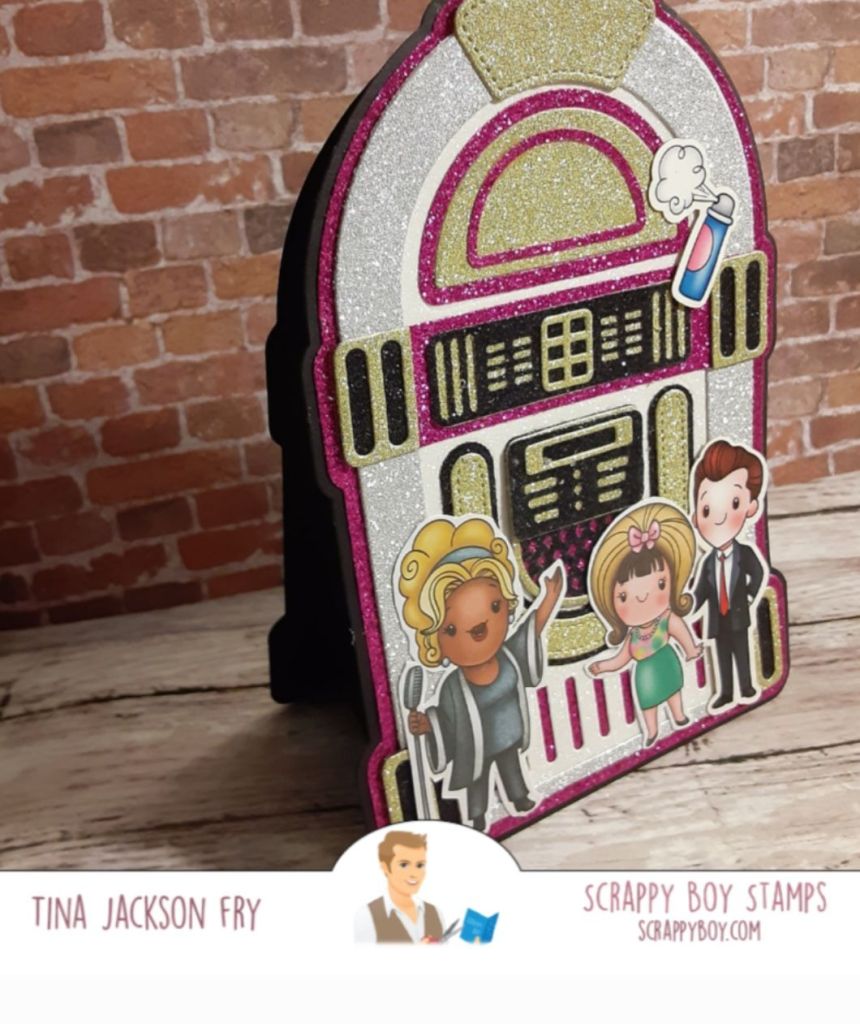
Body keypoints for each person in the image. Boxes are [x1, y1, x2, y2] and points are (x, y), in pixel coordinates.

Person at [397, 516, 564, 832]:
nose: (480, 630)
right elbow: (444, 719)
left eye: (494, 607)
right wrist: (428, 724)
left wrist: (548, 600)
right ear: (436, 642)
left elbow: (531, 630)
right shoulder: (453, 686)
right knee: (478, 779)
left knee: (512, 767)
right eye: (453, 629)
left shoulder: (509, 655)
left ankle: (519, 797)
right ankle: (475, 816)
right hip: (477, 748)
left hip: (510, 735)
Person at [587, 501, 702, 747]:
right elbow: (620, 660)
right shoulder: (633, 637)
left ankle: (679, 716)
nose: (642, 598)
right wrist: (602, 666)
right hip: (645, 675)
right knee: (648, 703)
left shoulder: (666, 619)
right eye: (624, 596)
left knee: (673, 691)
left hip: (667, 664)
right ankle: (651, 731)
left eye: (660, 584)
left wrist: (691, 649)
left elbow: (682, 631)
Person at [690, 439, 768, 711]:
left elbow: (758, 574)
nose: (719, 517)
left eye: (733, 503)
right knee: (721, 655)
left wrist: (749, 597)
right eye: (707, 510)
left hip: (738, 614)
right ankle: (725, 692)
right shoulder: (707, 562)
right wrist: (687, 607)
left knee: (742, 652)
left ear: (750, 507)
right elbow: (700, 591)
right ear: (696, 517)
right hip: (716, 620)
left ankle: (746, 686)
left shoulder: (745, 553)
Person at [353, 830, 443, 944]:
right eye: (404, 865)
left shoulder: (435, 912)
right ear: (385, 867)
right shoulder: (367, 915)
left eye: (420, 865)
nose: (414, 873)